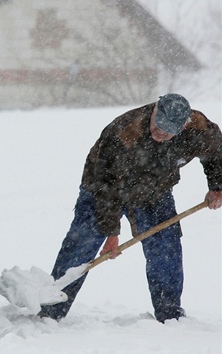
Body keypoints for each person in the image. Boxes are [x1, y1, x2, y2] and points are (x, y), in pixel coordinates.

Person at [39, 93, 222, 323]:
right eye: (159, 124)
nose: (161, 132)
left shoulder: (198, 128)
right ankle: (51, 310)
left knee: (166, 246)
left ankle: (170, 314)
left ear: (183, 126)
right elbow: (106, 187)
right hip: (103, 189)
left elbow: (216, 151)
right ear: (155, 108)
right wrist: (111, 232)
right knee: (81, 245)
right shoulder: (124, 133)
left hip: (155, 192)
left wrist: (217, 185)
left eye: (169, 130)